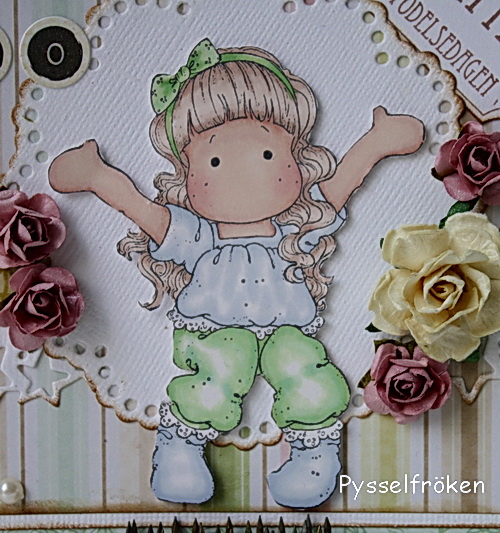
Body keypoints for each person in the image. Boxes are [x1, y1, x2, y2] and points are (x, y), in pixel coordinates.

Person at [48, 39, 424, 508]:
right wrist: (98, 177)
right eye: (214, 161)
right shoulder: (196, 235)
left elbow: (341, 185)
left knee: (306, 371)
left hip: (287, 327)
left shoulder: (295, 227)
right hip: (214, 329)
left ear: (295, 154)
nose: (241, 175)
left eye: (266, 155)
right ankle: (181, 451)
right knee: (214, 377)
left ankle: (314, 456)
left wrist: (378, 142)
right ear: (186, 173)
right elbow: (144, 211)